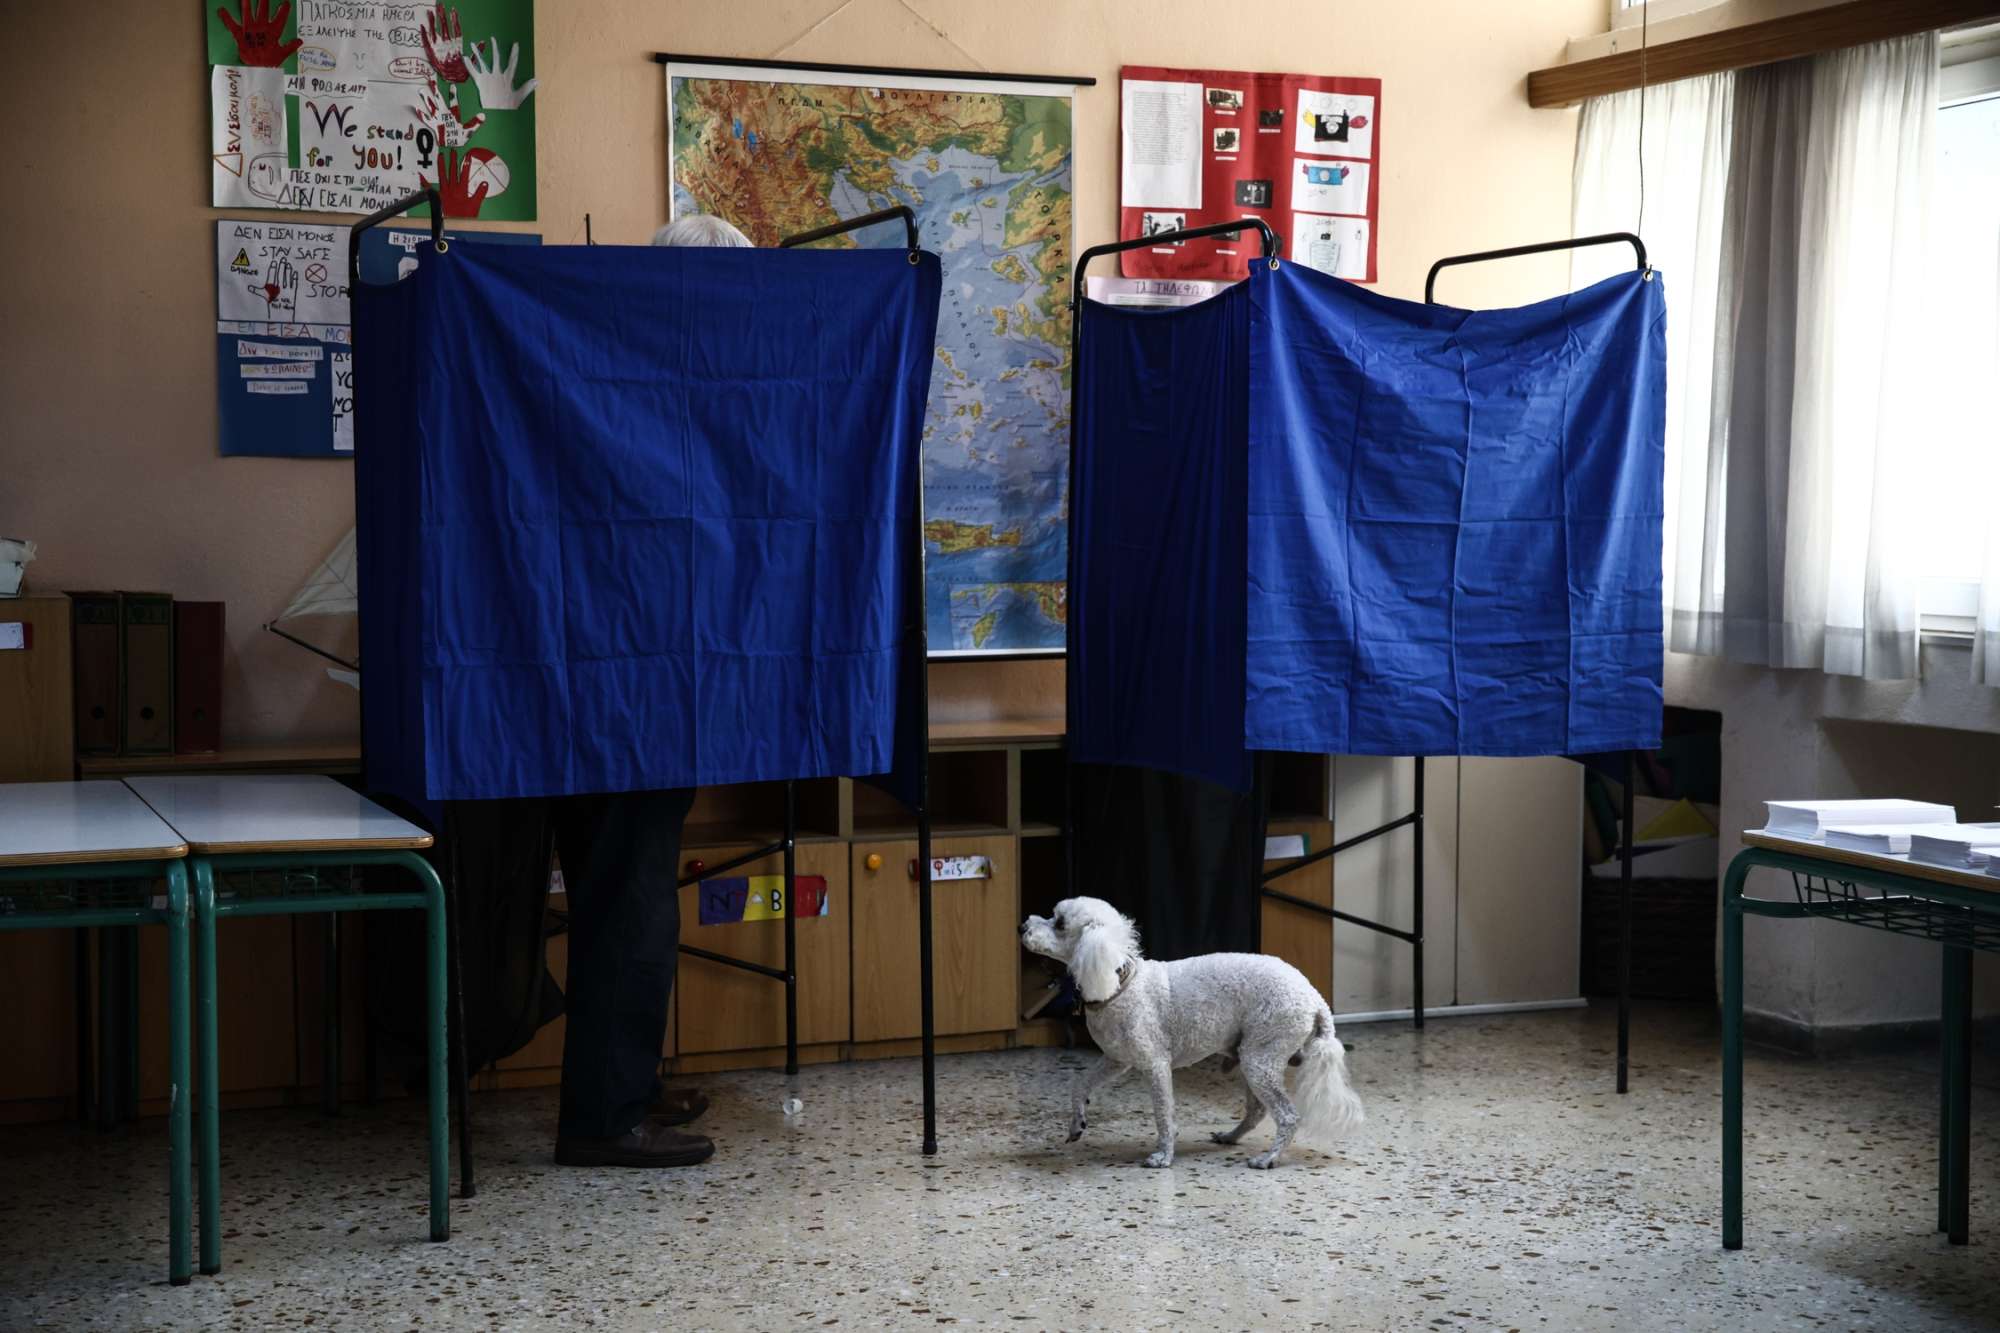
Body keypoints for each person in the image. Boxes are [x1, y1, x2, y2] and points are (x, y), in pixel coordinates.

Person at [550, 211, 756, 1169]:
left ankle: (625, 1086)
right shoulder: (661, 398)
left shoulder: (626, 383)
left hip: (634, 692)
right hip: (624, 699)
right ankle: (602, 1118)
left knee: (633, 901)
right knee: (627, 905)